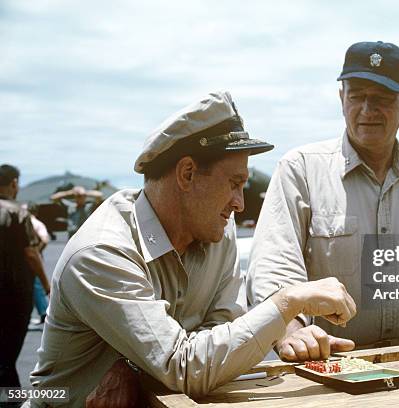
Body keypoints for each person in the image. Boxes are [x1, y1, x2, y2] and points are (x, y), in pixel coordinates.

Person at [28, 92, 356, 407]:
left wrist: (139, 370)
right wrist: (286, 302)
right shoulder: (102, 251)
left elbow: (221, 339)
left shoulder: (217, 227)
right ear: (187, 174)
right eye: (234, 183)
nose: (239, 204)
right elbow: (185, 367)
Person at [247, 41, 399, 362]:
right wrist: (292, 328)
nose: (367, 110)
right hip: (330, 361)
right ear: (341, 98)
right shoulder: (300, 169)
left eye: (382, 98)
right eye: (356, 95)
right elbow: (274, 264)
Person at [0, 164, 50, 391]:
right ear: (14, 183)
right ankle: (9, 396)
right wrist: (47, 285)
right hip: (14, 291)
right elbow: (31, 253)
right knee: (8, 351)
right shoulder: (18, 212)